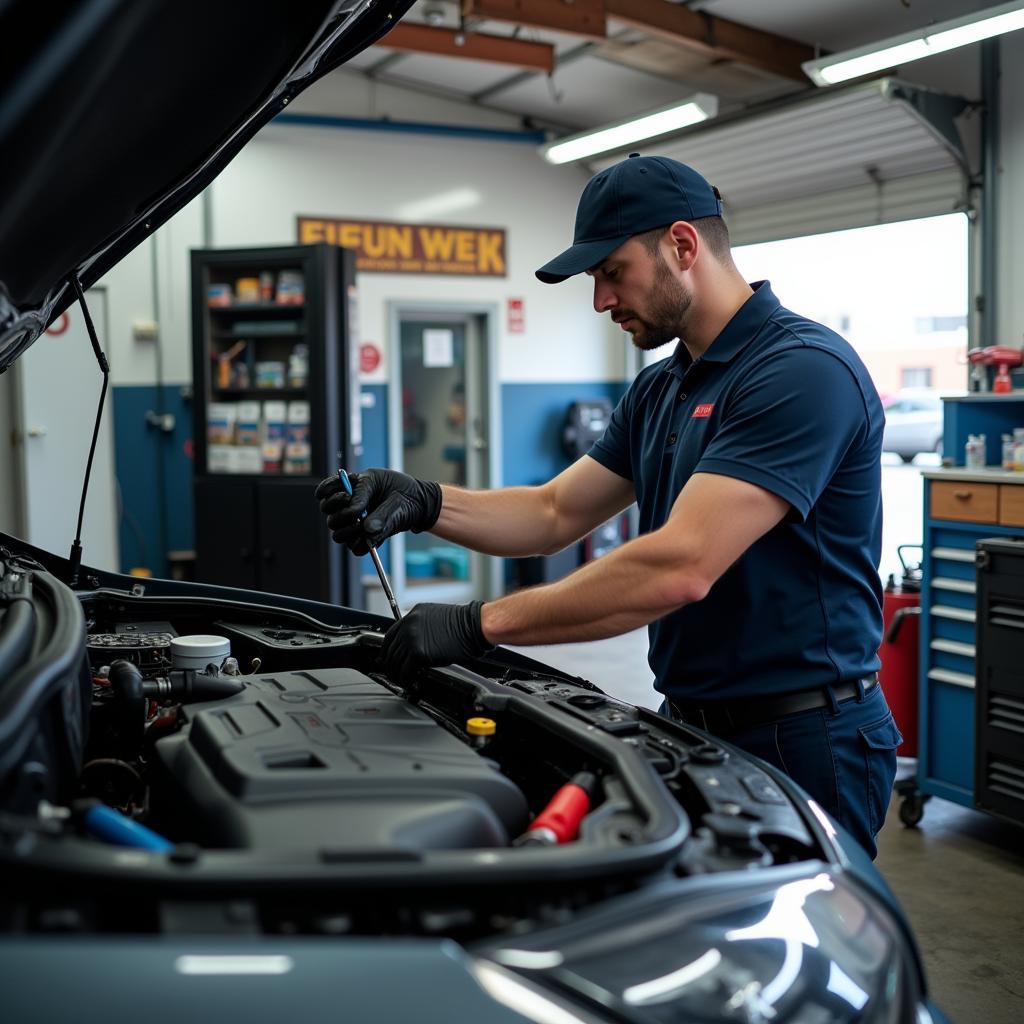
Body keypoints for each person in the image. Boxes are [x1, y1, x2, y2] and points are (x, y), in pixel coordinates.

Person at [315, 153, 901, 859]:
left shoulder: (801, 371)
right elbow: (555, 511)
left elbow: (680, 566)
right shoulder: (661, 390)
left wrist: (480, 624)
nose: (600, 300)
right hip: (692, 722)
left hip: (806, 736)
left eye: (610, 272)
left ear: (683, 246)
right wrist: (424, 500)